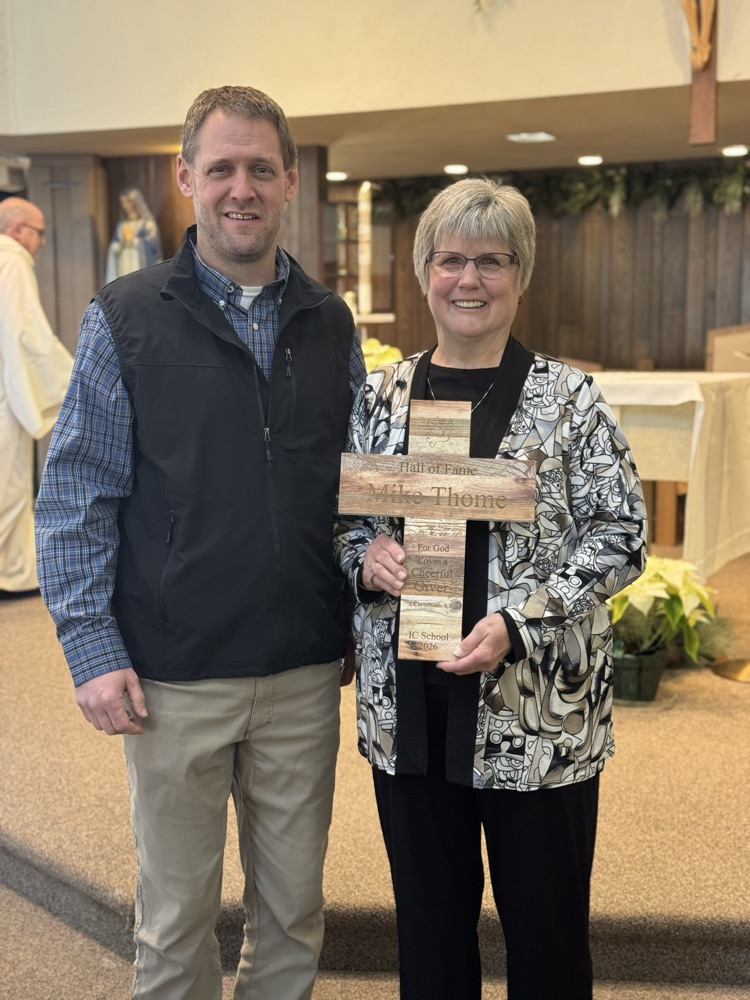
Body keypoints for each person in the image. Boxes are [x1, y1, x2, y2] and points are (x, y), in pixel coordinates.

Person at [36, 85, 365, 1000]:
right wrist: (90, 647)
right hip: (173, 677)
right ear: (187, 178)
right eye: (220, 167)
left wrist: (362, 609)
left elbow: (352, 493)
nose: (240, 187)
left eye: (261, 167)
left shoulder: (331, 323)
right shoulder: (125, 316)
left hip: (302, 674)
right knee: (177, 919)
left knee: (294, 914)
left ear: (290, 180)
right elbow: (74, 495)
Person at [334, 177, 647, 1000]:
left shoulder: (570, 400)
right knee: (430, 944)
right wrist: (365, 558)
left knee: (546, 944)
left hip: (534, 719)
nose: (468, 280)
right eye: (450, 260)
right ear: (422, 271)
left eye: (491, 261)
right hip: (409, 717)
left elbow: (622, 537)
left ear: (521, 274)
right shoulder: (380, 395)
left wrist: (520, 620)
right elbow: (343, 521)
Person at [0, 196, 72, 597]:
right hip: (4, 393)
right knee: (6, 481)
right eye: (38, 232)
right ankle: (9, 574)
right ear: (16, 230)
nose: (42, 242)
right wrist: (72, 378)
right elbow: (24, 331)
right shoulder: (10, 261)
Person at [104, 186, 163, 283]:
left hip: (139, 264)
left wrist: (135, 241)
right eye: (122, 202)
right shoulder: (122, 225)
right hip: (124, 264)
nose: (125, 205)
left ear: (135, 202)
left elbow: (154, 246)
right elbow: (114, 246)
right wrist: (120, 244)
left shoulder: (147, 224)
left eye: (128, 202)